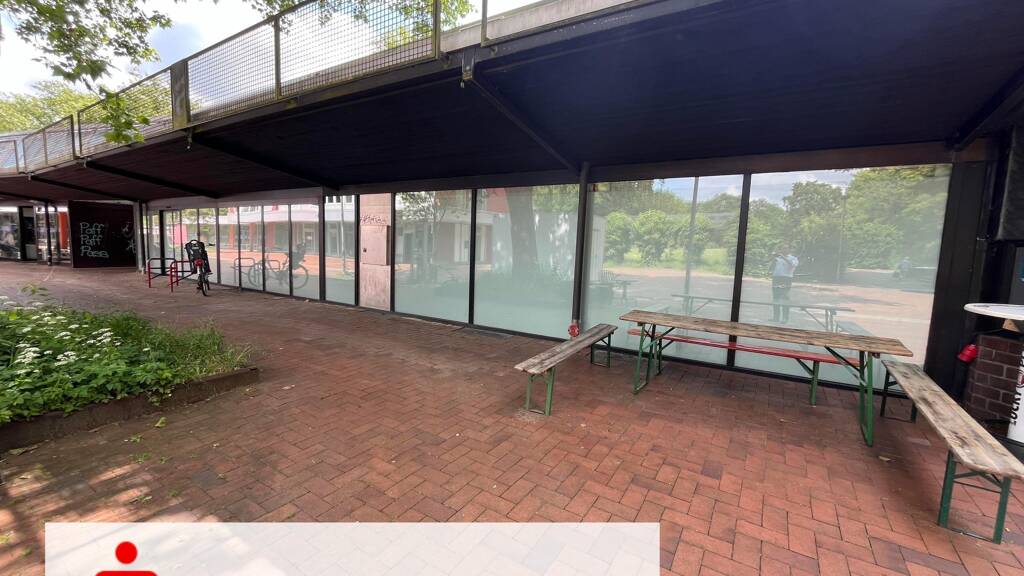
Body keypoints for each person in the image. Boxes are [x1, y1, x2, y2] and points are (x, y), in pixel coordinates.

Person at [770, 246, 799, 323]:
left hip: (786, 279)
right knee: (776, 297)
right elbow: (772, 266)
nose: (783, 249)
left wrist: (783, 257)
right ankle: (776, 317)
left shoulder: (793, 258)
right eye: (782, 248)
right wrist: (773, 257)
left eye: (785, 248)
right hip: (776, 278)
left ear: (789, 249)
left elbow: (792, 265)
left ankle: (785, 318)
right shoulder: (778, 258)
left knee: (785, 298)